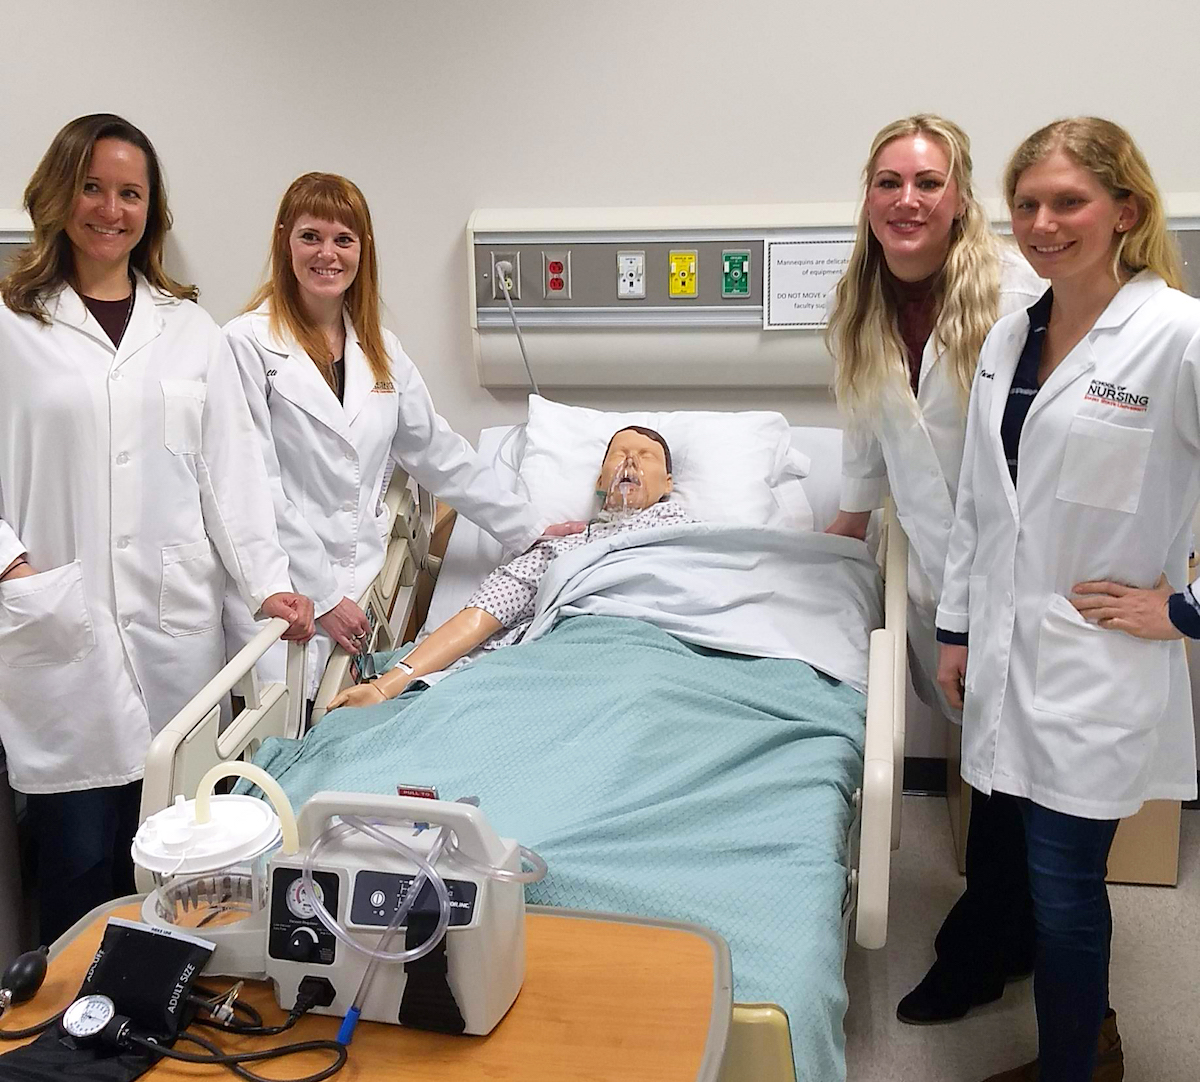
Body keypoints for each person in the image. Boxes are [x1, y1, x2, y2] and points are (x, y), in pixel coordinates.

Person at [0, 114, 314, 942]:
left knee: (183, 873)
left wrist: (269, 587)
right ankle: (75, 1045)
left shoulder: (190, 331)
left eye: (130, 193)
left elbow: (235, 478)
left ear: (152, 209)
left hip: (178, 640)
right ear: (59, 196)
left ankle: (173, 1041)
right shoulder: (10, 325)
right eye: (94, 188)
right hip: (60, 635)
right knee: (75, 868)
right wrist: (10, 567)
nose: (111, 209)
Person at [937, 117, 1200, 1082]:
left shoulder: (1176, 336)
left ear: (1124, 210)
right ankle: (1086, 1042)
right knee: (1043, 881)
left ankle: (1071, 1067)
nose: (1044, 223)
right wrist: (956, 630)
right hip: (1007, 654)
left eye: (1069, 202)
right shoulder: (1013, 337)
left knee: (1063, 890)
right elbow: (979, 502)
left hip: (1095, 666)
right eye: (1030, 204)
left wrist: (1182, 611)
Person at [822, 115, 1044, 1023]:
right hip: (934, 586)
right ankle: (1016, 935)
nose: (906, 200)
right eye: (888, 183)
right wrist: (829, 555)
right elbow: (871, 453)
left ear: (959, 200)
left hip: (1025, 577)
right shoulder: (860, 309)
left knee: (1010, 781)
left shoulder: (1017, 299)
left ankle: (980, 952)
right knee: (989, 767)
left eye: (926, 182)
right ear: (867, 199)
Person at [222, 173, 567, 699]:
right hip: (284, 593)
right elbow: (252, 487)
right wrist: (326, 594)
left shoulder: (381, 350)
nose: (327, 254)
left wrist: (532, 528)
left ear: (363, 251)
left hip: (362, 586)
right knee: (272, 745)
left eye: (344, 239)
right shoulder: (244, 344)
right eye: (311, 236)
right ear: (284, 239)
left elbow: (438, 452)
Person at [328, 426, 690, 707]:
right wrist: (384, 687)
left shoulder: (700, 540)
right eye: (620, 454)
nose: (631, 461)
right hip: (568, 663)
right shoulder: (562, 550)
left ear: (668, 483)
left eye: (646, 455)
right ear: (599, 480)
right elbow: (480, 617)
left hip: (659, 663)